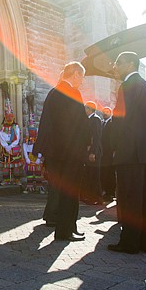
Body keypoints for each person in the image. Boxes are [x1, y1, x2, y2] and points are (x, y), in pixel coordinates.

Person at [108, 52, 146, 254]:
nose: (116, 67)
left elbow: (120, 118)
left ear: (130, 64)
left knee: (130, 199)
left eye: (119, 63)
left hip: (130, 153)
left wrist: (114, 145)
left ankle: (129, 243)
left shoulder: (127, 86)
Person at [33, 62, 90, 241]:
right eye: (81, 76)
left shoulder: (53, 93)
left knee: (61, 191)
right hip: (70, 153)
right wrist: (85, 145)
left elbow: (45, 124)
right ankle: (65, 231)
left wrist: (41, 150)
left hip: (56, 154)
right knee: (69, 193)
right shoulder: (72, 93)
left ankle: (69, 227)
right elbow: (81, 125)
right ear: (74, 75)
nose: (82, 80)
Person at [0, 82, 23, 185]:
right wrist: (6, 146)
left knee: (16, 165)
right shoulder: (2, 127)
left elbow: (17, 137)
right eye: (7, 117)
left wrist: (12, 146)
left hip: (15, 148)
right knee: (6, 164)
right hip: (5, 148)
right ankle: (6, 179)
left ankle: (17, 180)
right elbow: (1, 137)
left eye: (11, 117)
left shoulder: (16, 126)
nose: (9, 118)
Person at [22, 94, 45, 194]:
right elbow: (24, 146)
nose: (32, 132)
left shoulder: (38, 138)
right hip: (30, 156)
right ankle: (30, 186)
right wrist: (26, 157)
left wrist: (39, 157)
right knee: (30, 173)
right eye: (30, 130)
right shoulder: (27, 139)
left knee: (38, 173)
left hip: (36, 157)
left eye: (33, 130)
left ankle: (39, 186)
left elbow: (41, 147)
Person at [81, 101, 103, 204]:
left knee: (94, 175)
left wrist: (93, 152)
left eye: (86, 108)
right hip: (87, 151)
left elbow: (96, 136)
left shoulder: (96, 120)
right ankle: (89, 196)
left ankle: (97, 198)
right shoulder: (88, 120)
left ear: (90, 109)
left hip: (94, 152)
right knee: (88, 174)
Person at [100, 106, 116, 202]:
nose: (105, 113)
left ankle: (110, 192)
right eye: (104, 112)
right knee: (104, 172)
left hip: (109, 152)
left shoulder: (112, 123)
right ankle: (105, 191)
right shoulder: (102, 123)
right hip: (103, 153)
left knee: (110, 173)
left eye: (107, 112)